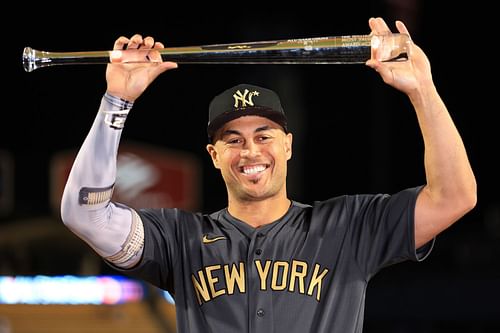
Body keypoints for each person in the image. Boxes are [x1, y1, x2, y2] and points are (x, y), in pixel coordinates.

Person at [60, 17, 476, 333]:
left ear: (289, 145)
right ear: (214, 155)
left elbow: (455, 196)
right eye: (233, 140)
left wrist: (423, 89)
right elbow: (85, 214)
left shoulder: (348, 227)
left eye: (264, 135)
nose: (251, 151)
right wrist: (116, 101)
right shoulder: (179, 240)